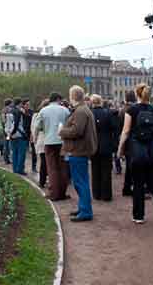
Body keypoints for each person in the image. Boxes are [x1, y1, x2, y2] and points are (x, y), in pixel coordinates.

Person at [118, 83, 153, 224]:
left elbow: (126, 131)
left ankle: (139, 215)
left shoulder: (132, 110)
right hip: (152, 150)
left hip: (137, 151)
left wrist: (120, 148)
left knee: (138, 184)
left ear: (137, 94)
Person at [59, 85, 98, 222]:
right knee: (81, 182)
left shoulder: (80, 111)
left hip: (78, 150)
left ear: (73, 96)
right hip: (80, 150)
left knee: (80, 182)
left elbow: (77, 131)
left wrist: (62, 131)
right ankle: (83, 208)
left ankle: (86, 211)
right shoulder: (83, 109)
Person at [37, 92, 71, 201]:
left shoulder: (43, 110)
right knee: (63, 167)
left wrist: (44, 130)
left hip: (49, 141)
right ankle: (62, 193)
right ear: (57, 99)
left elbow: (38, 126)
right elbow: (69, 124)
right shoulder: (65, 110)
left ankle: (54, 193)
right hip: (62, 142)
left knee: (52, 168)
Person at [91, 94, 118, 202]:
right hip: (106, 144)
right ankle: (106, 194)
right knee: (106, 170)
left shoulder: (90, 113)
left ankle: (97, 193)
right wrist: (114, 144)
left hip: (94, 144)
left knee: (95, 169)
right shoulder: (108, 113)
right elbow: (114, 129)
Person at [121, 90, 137, 196]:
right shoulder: (132, 110)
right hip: (132, 140)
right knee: (133, 166)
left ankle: (126, 187)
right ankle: (130, 187)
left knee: (128, 165)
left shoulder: (122, 110)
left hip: (125, 140)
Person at [6, 98, 28, 174]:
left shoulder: (9, 111)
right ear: (20, 104)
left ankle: (15, 169)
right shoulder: (18, 112)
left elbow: (7, 124)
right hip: (19, 134)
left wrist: (9, 134)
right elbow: (16, 124)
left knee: (14, 153)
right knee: (21, 153)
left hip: (11, 135)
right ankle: (20, 169)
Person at [32, 99, 50, 188]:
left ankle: (42, 181)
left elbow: (34, 128)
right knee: (47, 162)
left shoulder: (37, 114)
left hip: (41, 139)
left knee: (43, 161)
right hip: (45, 139)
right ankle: (44, 180)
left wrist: (34, 139)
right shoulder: (44, 114)